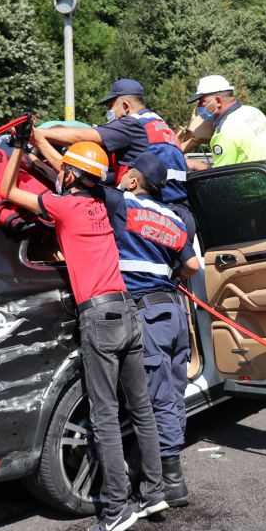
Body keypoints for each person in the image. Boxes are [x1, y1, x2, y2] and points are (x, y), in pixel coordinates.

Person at [0, 139, 167, 531]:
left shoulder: (64, 206)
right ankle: (153, 493)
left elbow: (7, 192)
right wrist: (43, 146)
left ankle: (116, 508)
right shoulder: (106, 204)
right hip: (128, 310)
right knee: (141, 408)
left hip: (100, 317)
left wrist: (19, 151)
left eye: (65, 172)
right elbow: (76, 170)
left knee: (105, 415)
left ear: (71, 177)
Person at [103, 153, 200, 507]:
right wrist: (171, 275)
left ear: (132, 181)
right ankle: (170, 475)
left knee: (155, 399)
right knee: (173, 396)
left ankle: (168, 484)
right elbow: (192, 264)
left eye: (124, 174)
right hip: (174, 313)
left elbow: (83, 185)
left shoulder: (122, 204)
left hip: (148, 316)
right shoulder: (173, 217)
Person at [33, 79, 193, 234]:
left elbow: (83, 135)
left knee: (83, 185)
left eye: (111, 107)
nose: (109, 113)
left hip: (153, 214)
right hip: (180, 214)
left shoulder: (132, 124)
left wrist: (38, 134)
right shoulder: (160, 125)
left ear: (125, 106)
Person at [181, 75, 266, 180]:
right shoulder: (254, 111)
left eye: (201, 102)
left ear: (217, 101)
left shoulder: (224, 132)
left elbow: (220, 179)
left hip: (257, 193)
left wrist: (195, 165)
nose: (198, 107)